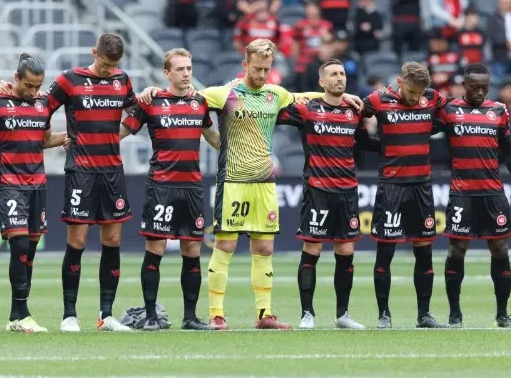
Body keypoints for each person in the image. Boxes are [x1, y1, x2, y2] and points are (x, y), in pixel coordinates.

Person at [138, 38, 363, 330]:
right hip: (233, 180)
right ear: (245, 65)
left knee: (265, 249)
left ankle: (264, 314)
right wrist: (153, 91)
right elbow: (186, 96)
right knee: (226, 245)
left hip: (265, 183)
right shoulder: (225, 94)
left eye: (266, 69)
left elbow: (306, 97)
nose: (261, 75)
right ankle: (217, 314)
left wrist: (344, 97)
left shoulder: (275, 94)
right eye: (257, 68)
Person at [0, 34, 136, 332]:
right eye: (105, 63)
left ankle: (105, 315)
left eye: (114, 66)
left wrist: (119, 134)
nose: (109, 70)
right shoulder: (70, 80)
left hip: (112, 171)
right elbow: (39, 106)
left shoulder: (122, 80)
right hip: (81, 171)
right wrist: (10, 93)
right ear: (94, 52)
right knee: (78, 242)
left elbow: (138, 112)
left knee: (112, 241)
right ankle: (69, 315)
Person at [0, 54, 66, 333]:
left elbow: (44, 140)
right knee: (18, 245)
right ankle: (24, 313)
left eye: (38, 86)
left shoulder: (43, 104)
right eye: (29, 85)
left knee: (28, 251)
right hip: (9, 184)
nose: (33, 92)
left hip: (37, 185)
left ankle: (16, 316)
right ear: (16, 78)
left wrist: (71, 137)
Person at [120, 48, 219, 331]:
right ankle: (150, 315)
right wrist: (88, 142)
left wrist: (240, 148)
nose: (187, 73)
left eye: (189, 68)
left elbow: (211, 136)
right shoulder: (152, 102)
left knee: (192, 248)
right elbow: (124, 130)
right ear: (167, 73)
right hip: (161, 185)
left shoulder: (199, 103)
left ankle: (190, 317)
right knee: (156, 248)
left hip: (192, 187)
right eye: (180, 69)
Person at [277, 59, 378, 329]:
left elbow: (367, 143)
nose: (340, 78)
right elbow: (274, 109)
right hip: (318, 190)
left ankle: (342, 314)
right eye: (333, 74)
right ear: (322, 82)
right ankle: (307, 314)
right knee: (312, 250)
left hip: (346, 191)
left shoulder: (354, 111)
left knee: (346, 251)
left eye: (342, 74)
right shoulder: (307, 110)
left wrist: (398, 145)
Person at [435, 63, 511, 328]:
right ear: (464, 85)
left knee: (500, 248)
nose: (479, 92)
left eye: (484, 87)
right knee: (457, 249)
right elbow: (423, 126)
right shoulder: (450, 110)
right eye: (474, 87)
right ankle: (454, 314)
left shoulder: (498, 111)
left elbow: (509, 150)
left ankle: (502, 314)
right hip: (462, 193)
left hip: (493, 193)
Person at [362, 62, 448, 329]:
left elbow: (448, 112)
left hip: (421, 187)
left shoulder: (431, 98)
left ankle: (424, 315)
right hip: (392, 187)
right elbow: (353, 115)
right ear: (400, 82)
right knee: (385, 252)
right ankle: (383, 315)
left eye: (420, 93)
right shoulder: (378, 99)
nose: (415, 98)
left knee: (424, 253)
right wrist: (378, 144)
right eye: (411, 92)